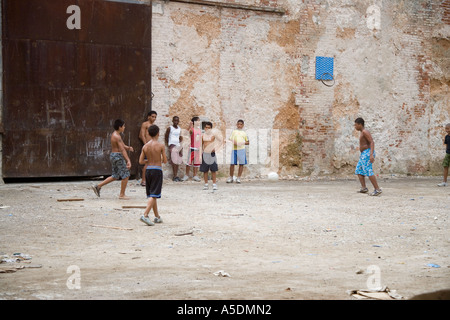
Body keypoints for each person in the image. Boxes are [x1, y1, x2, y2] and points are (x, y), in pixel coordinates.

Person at [92, 119, 134, 199]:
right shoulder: (117, 136)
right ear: (120, 127)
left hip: (114, 156)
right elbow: (122, 149)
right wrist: (128, 160)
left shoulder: (116, 134)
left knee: (115, 176)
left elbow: (122, 145)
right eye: (124, 126)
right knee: (126, 175)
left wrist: (128, 148)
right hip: (117, 156)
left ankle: (98, 186)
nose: (125, 127)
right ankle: (122, 195)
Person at [139, 124, 167, 226]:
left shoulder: (145, 146)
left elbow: (141, 161)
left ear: (149, 134)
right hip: (157, 170)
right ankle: (145, 215)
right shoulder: (160, 145)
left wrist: (149, 160)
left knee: (152, 194)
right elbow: (164, 160)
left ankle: (157, 217)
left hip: (148, 170)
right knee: (154, 194)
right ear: (158, 133)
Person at [354, 117, 382, 196]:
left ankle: (377, 189)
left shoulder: (365, 132)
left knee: (368, 170)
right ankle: (364, 188)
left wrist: (371, 155)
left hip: (367, 153)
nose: (355, 127)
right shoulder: (362, 132)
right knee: (359, 170)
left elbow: (372, 142)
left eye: (356, 125)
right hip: (363, 154)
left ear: (360, 124)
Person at [227, 119, 249, 184]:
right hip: (234, 149)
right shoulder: (234, 132)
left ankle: (238, 178)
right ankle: (231, 177)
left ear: (243, 125)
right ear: (236, 124)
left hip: (241, 149)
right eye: (238, 124)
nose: (239, 125)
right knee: (232, 164)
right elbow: (230, 139)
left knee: (241, 164)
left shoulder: (244, 133)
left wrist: (241, 143)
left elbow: (248, 142)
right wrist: (234, 142)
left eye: (241, 124)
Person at [139, 111, 157, 186]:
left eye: (155, 117)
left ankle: (150, 180)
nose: (154, 118)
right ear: (148, 117)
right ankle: (143, 180)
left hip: (153, 147)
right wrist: (146, 144)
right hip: (147, 146)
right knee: (146, 163)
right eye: (152, 116)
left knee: (152, 163)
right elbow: (141, 135)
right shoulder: (145, 124)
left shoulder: (154, 126)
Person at [182, 116, 202, 182]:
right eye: (198, 120)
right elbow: (186, 132)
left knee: (196, 163)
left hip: (198, 148)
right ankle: (186, 175)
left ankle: (195, 175)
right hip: (192, 148)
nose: (199, 122)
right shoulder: (192, 129)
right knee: (189, 162)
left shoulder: (199, 130)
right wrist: (189, 125)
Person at [200, 122, 218, 190]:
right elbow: (201, 145)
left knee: (213, 169)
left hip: (212, 154)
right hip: (205, 154)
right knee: (205, 170)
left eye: (209, 128)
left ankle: (214, 184)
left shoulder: (213, 136)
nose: (207, 129)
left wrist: (215, 148)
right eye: (206, 127)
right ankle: (206, 184)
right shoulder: (203, 136)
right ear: (204, 128)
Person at [164, 116, 183, 182]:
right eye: (174, 120)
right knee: (174, 161)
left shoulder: (179, 129)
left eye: (177, 121)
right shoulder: (170, 128)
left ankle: (176, 176)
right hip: (172, 145)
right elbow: (166, 137)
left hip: (178, 145)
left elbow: (180, 137)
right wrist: (169, 145)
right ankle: (174, 176)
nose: (176, 122)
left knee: (177, 161)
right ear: (172, 121)